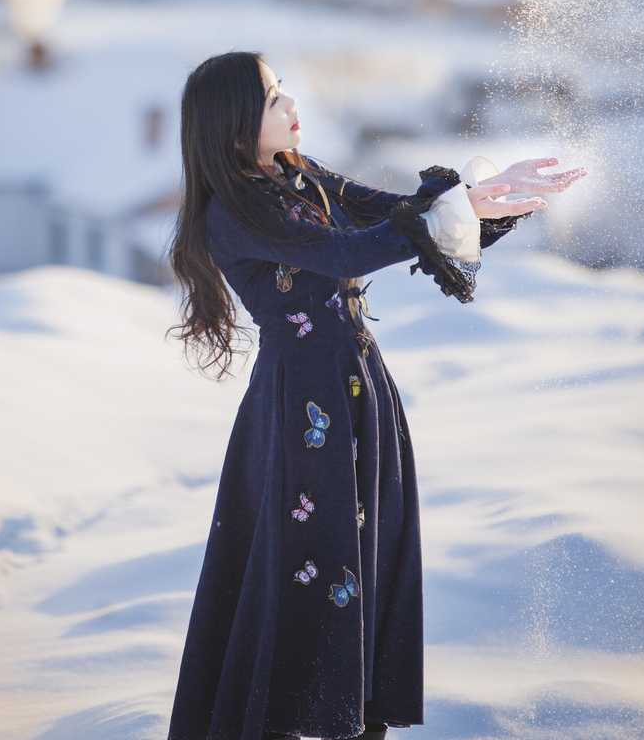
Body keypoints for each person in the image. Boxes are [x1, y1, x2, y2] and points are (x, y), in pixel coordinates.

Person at [165, 51, 587, 740]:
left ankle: (355, 723)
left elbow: (398, 214)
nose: (291, 103)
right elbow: (344, 255)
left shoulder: (301, 177)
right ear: (236, 122)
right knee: (314, 560)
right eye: (274, 98)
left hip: (359, 394)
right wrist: (459, 209)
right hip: (303, 408)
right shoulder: (233, 214)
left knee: (367, 557)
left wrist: (484, 197)